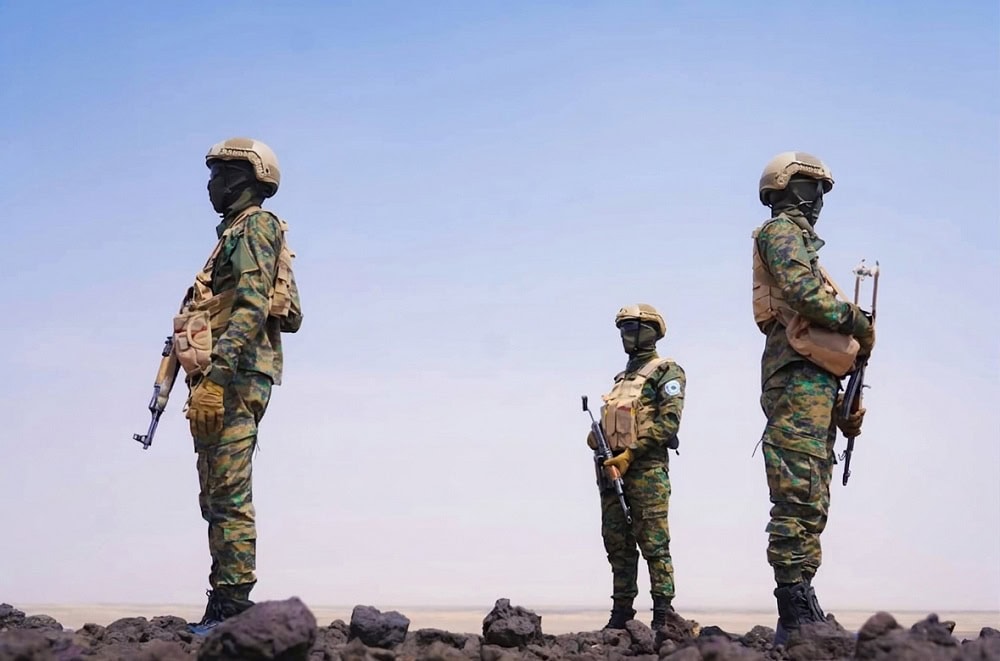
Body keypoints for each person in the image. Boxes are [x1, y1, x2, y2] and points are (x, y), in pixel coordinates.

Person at [175, 137, 303, 634]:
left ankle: (232, 609)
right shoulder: (235, 235)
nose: (210, 185)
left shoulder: (255, 227)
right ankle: (223, 604)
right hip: (225, 375)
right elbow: (281, 311)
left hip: (234, 377)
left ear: (241, 180)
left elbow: (252, 307)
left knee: (228, 493)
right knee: (215, 493)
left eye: (217, 176)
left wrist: (217, 378)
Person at [751, 151, 874, 644]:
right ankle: (792, 610)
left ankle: (804, 601)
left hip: (814, 381)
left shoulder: (806, 248)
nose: (818, 198)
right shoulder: (780, 231)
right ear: (781, 187)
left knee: (812, 498)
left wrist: (846, 407)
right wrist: (857, 322)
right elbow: (803, 295)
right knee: (795, 493)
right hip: (794, 377)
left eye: (822, 189)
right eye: (809, 186)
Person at [587, 304, 686, 630]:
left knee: (654, 544)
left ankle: (663, 615)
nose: (625, 336)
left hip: (646, 471)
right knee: (617, 544)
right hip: (612, 472)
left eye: (632, 328)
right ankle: (621, 614)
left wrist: (631, 453)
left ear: (651, 332)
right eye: (623, 329)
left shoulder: (666, 371)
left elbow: (668, 423)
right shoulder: (620, 381)